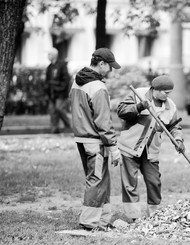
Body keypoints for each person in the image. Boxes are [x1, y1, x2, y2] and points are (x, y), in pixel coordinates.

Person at [117, 75, 185, 220]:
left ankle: (154, 217)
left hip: (151, 151)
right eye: (166, 92)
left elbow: (174, 126)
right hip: (130, 147)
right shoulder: (138, 94)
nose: (168, 96)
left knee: (154, 181)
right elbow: (121, 111)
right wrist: (139, 107)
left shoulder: (170, 106)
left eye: (169, 93)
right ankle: (133, 218)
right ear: (156, 89)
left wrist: (178, 139)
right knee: (130, 183)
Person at [70, 48, 122, 231]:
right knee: (96, 179)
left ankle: (103, 220)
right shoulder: (98, 87)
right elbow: (103, 121)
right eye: (109, 66)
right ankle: (90, 222)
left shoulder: (77, 82)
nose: (110, 70)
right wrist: (114, 148)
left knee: (101, 179)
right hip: (95, 140)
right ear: (101, 64)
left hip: (81, 138)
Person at [45, 47, 71, 133]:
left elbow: (66, 79)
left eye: (49, 54)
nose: (48, 56)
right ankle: (54, 129)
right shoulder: (49, 67)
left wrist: (60, 89)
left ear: (54, 55)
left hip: (60, 93)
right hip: (51, 93)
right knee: (52, 111)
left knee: (59, 108)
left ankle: (70, 125)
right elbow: (47, 81)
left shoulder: (62, 65)